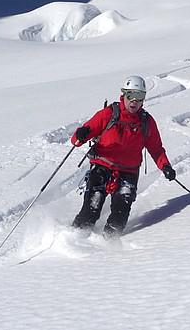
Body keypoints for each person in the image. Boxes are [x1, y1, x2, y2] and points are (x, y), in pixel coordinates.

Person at [70, 75, 175, 236]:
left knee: (120, 214)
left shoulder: (146, 122)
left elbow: (156, 149)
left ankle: (107, 247)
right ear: (123, 95)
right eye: (130, 95)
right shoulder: (108, 114)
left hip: (129, 171)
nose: (134, 100)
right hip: (102, 166)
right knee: (93, 206)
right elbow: (77, 140)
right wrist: (81, 134)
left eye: (139, 96)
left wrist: (165, 166)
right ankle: (74, 238)